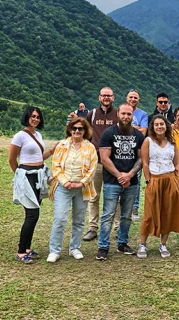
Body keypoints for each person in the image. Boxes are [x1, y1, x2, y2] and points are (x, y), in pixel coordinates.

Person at [46, 117, 98, 263]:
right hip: (63, 187)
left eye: (80, 129)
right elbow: (55, 166)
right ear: (69, 130)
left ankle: (75, 247)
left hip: (82, 188)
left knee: (79, 220)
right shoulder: (61, 145)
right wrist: (65, 182)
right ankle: (54, 250)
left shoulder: (90, 147)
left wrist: (81, 183)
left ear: (85, 131)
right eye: (74, 128)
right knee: (60, 218)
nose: (77, 131)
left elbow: (92, 169)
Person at [96, 103, 144, 260]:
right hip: (112, 181)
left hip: (131, 182)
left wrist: (129, 175)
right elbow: (104, 158)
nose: (126, 117)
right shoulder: (108, 133)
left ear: (132, 116)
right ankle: (103, 247)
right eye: (123, 113)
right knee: (108, 214)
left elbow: (141, 158)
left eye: (129, 114)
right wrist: (119, 175)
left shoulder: (138, 135)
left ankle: (122, 243)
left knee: (126, 215)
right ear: (118, 114)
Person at [137, 115, 179, 258]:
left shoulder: (172, 142)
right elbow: (145, 163)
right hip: (154, 179)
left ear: (166, 126)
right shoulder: (148, 141)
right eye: (156, 124)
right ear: (153, 127)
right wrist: (148, 180)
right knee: (149, 213)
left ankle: (163, 244)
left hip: (170, 179)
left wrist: (177, 179)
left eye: (162, 124)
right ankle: (142, 244)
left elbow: (176, 162)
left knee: (168, 212)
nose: (159, 127)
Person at [9, 106, 54, 264]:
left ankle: (27, 248)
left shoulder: (38, 134)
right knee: (32, 214)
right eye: (33, 116)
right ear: (27, 117)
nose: (35, 119)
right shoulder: (19, 136)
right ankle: (21, 251)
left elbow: (39, 156)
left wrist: (53, 151)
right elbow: (12, 159)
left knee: (34, 215)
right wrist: (19, 176)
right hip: (27, 176)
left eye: (38, 117)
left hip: (38, 176)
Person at [81, 87, 118, 242]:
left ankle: (117, 228)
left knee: (115, 197)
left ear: (113, 97)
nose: (106, 98)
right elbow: (86, 134)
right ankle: (92, 227)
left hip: (114, 162)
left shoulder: (117, 114)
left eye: (108, 96)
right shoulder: (92, 114)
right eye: (103, 95)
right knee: (94, 196)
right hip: (96, 162)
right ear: (99, 97)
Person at [127, 89, 148, 220]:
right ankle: (123, 207)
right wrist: (136, 127)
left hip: (137, 151)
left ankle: (134, 208)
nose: (133, 99)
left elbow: (144, 132)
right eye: (131, 97)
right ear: (126, 98)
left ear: (138, 100)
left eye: (135, 98)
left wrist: (129, 126)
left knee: (136, 180)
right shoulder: (121, 111)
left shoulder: (143, 114)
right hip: (121, 151)